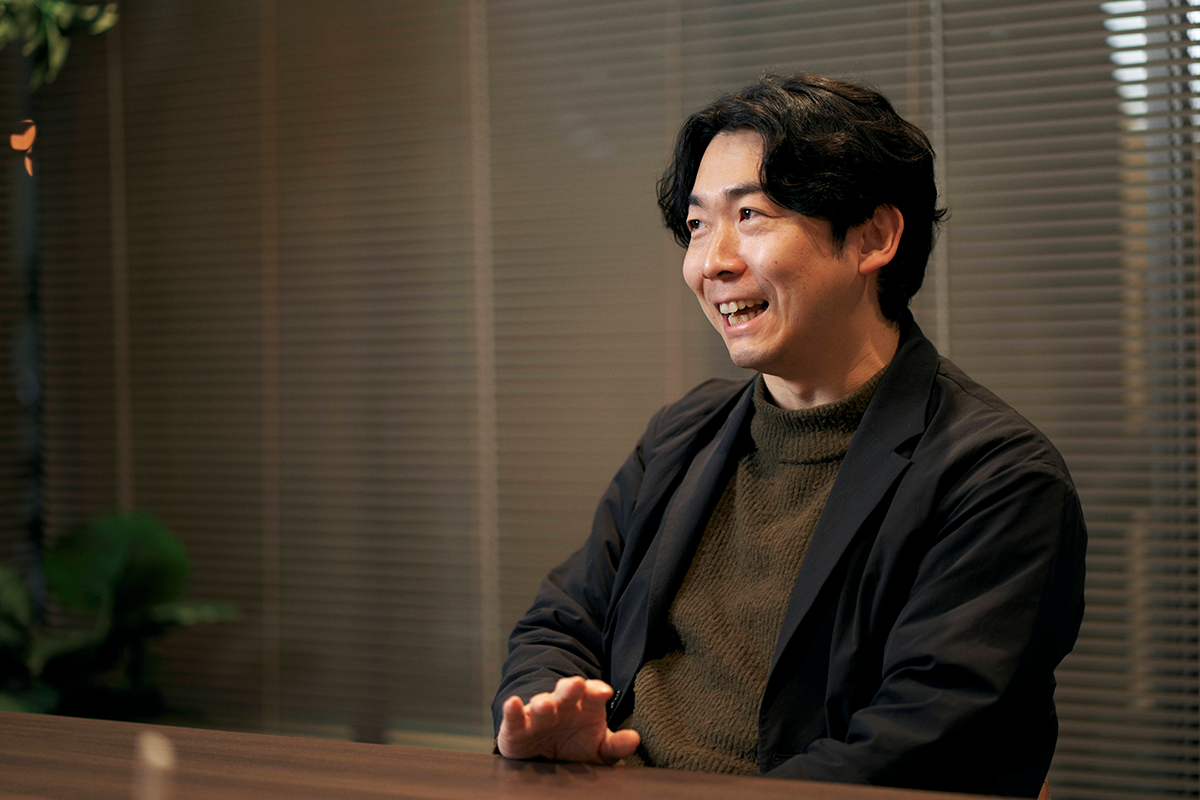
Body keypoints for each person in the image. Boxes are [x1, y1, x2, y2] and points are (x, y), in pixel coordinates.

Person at [491, 74, 1087, 798]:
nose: (712, 262)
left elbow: (923, 747)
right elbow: (562, 621)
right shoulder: (683, 435)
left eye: (751, 215)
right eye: (697, 224)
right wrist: (544, 716)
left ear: (873, 237)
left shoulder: (996, 480)